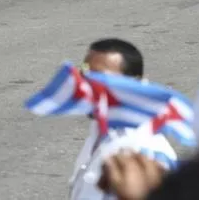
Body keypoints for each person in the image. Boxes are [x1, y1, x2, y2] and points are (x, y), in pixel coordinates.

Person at [70, 39, 177, 200]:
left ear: (134, 85)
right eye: (84, 75)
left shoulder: (144, 153)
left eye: (100, 80)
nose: (85, 88)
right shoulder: (101, 131)